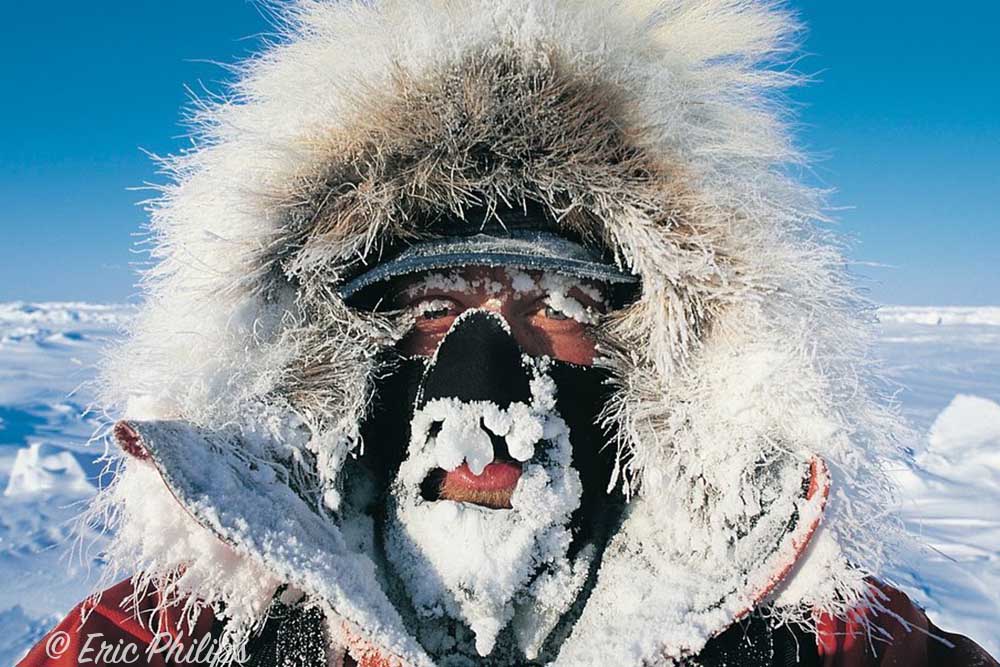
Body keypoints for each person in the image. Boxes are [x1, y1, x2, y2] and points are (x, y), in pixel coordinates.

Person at [19, 1, 997, 666]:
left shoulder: (808, 635)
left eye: (555, 305)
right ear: (337, 349)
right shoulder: (182, 637)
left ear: (653, 351)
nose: (484, 365)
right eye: (433, 308)